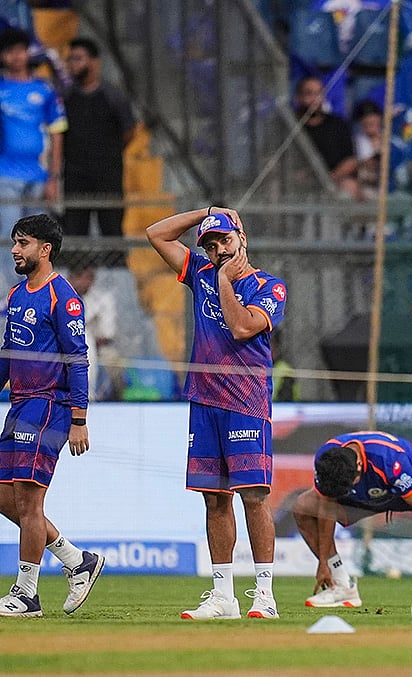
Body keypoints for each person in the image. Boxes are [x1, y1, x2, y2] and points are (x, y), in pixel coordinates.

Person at [146, 206, 287, 620]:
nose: (217, 249)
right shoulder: (200, 272)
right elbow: (156, 234)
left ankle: (264, 595)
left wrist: (224, 279)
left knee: (255, 498)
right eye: (209, 244)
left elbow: (243, 328)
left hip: (246, 401)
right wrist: (205, 214)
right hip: (204, 400)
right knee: (213, 500)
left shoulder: (269, 286)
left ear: (242, 238)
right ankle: (223, 596)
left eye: (224, 239)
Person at [0, 213, 104, 618]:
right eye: (14, 242)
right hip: (19, 405)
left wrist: (79, 418)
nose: (14, 249)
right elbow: (8, 354)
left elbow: (79, 360)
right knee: (5, 501)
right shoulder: (16, 295)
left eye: (22, 242)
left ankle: (26, 594)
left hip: (48, 406)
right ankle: (77, 561)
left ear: (45, 250)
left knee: (29, 503)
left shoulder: (64, 297)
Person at [291, 431, 412, 607]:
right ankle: (341, 586)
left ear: (358, 464)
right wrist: (324, 562)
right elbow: (327, 507)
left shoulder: (389, 459)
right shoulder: (327, 460)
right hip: (367, 495)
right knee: (303, 507)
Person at [0, 28, 67, 277]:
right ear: (2, 57)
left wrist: (54, 178)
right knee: (10, 235)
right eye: (10, 52)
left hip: (39, 176)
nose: (17, 57)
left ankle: (37, 289)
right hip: (5, 173)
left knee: (39, 238)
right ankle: (7, 294)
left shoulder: (45, 90)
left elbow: (57, 134)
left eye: (21, 50)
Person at [62, 37, 135, 267]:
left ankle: (117, 286)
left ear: (94, 62)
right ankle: (75, 288)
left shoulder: (113, 96)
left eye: (78, 58)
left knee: (112, 230)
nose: (73, 64)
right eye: (70, 59)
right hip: (75, 176)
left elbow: (129, 131)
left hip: (107, 176)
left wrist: (107, 153)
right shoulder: (67, 97)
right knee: (75, 233)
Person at [293, 75, 358, 199]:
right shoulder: (288, 125)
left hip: (333, 181)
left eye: (318, 93)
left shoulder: (338, 124)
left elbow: (351, 161)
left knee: (350, 186)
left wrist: (330, 177)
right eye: (309, 93)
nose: (315, 99)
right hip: (296, 183)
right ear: (298, 98)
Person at [68, 263, 119, 401]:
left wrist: (86, 340)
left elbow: (107, 334)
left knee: (111, 358)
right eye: (79, 277)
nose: (84, 282)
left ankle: (113, 398)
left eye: (89, 277)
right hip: (64, 345)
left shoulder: (103, 299)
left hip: (97, 347)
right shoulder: (60, 296)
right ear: (70, 278)